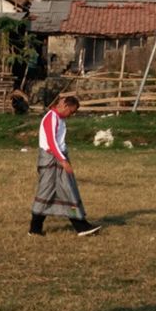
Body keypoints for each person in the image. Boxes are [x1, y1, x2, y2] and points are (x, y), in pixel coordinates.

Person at [29, 96, 101, 236]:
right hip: (52, 160)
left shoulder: (59, 119)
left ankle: (80, 225)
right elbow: (51, 142)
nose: (71, 115)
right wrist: (63, 160)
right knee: (48, 192)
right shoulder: (52, 118)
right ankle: (37, 228)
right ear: (65, 106)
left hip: (58, 158)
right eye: (71, 112)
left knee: (64, 191)